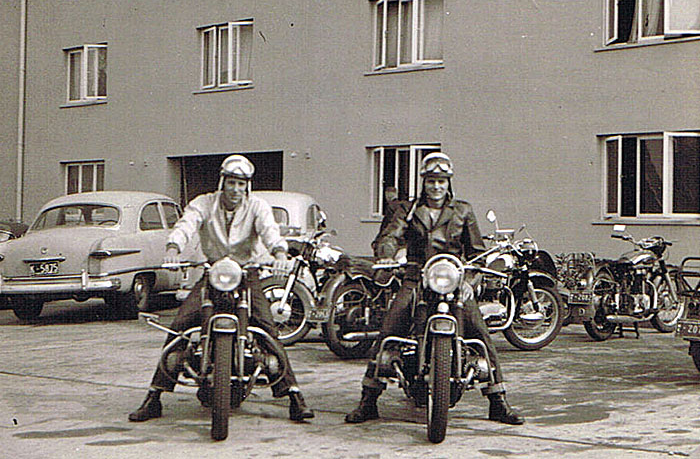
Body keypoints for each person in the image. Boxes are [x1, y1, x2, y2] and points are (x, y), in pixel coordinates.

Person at [129, 154, 314, 423]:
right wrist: (173, 248)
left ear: (247, 186)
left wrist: (280, 253)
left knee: (267, 327)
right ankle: (154, 396)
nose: (236, 189)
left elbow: (270, 231)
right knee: (179, 325)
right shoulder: (204, 203)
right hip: (213, 272)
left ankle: (294, 396)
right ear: (222, 182)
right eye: (231, 183)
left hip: (246, 273)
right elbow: (186, 224)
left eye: (241, 184)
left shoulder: (257, 207)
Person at [345, 152, 524, 426]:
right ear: (424, 182)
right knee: (389, 331)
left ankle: (498, 402)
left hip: (453, 279)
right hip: (416, 277)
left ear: (448, 183)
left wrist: (469, 283)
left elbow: (477, 253)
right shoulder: (407, 210)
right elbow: (389, 236)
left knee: (480, 333)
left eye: (441, 181)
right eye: (431, 181)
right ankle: (368, 401)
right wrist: (387, 252)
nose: (436, 187)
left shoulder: (462, 210)